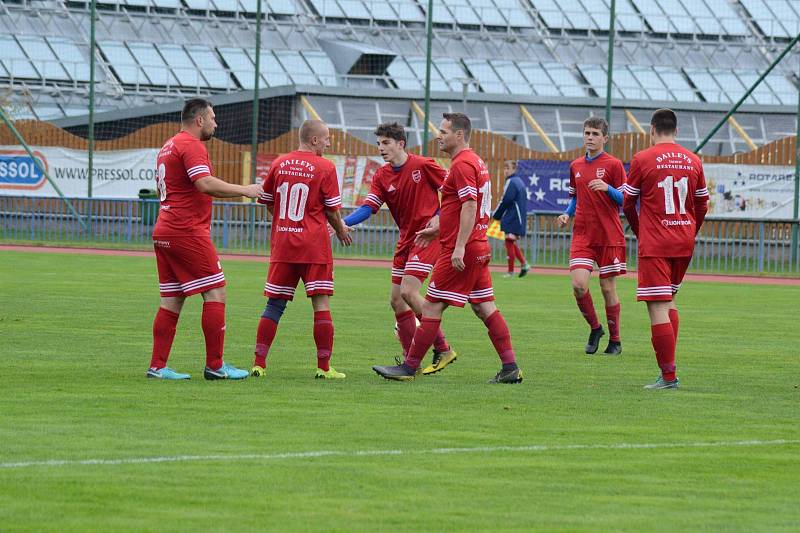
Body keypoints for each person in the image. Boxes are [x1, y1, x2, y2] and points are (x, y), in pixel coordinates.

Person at [372, 113, 523, 384]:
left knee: (430, 308)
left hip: (464, 247)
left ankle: (410, 366)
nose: (438, 136)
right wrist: (438, 229)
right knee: (485, 307)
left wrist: (459, 247)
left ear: (459, 135)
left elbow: (469, 205)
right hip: (478, 245)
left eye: (443, 131)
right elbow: (460, 207)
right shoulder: (474, 160)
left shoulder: (463, 164)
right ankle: (510, 367)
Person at [147, 98, 263, 380]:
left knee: (172, 300)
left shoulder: (169, 145)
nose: (216, 123)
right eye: (212, 118)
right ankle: (215, 365)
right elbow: (204, 183)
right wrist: (246, 189)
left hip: (165, 228)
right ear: (199, 120)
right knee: (215, 291)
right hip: (185, 230)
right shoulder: (191, 145)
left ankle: (158, 367)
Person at [342, 122, 457, 375]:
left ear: (400, 144)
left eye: (386, 143)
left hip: (427, 237)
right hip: (405, 239)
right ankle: (410, 362)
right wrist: (343, 222)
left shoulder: (423, 165)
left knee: (408, 291)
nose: (381, 148)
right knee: (397, 301)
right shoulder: (382, 175)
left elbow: (452, 191)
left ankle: (442, 348)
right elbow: (369, 207)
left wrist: (438, 216)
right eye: (379, 144)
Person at [250, 119, 352, 379]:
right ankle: (324, 368)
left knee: (274, 305)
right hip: (313, 245)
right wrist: (340, 230)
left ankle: (259, 364)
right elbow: (331, 209)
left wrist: (283, 220)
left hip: (283, 243)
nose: (329, 142)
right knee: (320, 304)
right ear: (315, 140)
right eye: (327, 137)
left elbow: (268, 201)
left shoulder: (279, 162)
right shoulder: (325, 167)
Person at [622, 108, 709, 389]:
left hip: (656, 242)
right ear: (676, 131)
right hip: (683, 241)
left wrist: (640, 231)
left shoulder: (642, 158)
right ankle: (668, 371)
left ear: (651, 130)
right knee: (669, 300)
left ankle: (669, 376)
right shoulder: (694, 160)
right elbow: (702, 204)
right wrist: (690, 231)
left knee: (656, 306)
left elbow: (627, 202)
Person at [557, 117, 627, 355]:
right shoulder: (576, 165)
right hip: (583, 235)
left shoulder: (614, 165)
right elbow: (575, 197)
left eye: (595, 133)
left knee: (608, 288)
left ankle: (615, 341)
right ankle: (595, 328)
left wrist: (608, 189)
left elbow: (626, 200)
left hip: (608, 235)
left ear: (605, 138)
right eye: (587, 132)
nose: (590, 137)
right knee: (578, 285)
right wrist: (567, 214)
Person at [492, 159, 531, 278]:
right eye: (504, 168)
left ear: (514, 169)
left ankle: (510, 271)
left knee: (509, 241)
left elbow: (505, 200)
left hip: (513, 216)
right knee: (510, 241)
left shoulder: (512, 182)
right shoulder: (519, 181)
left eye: (508, 168)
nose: (505, 170)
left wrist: (496, 214)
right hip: (518, 216)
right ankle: (524, 264)